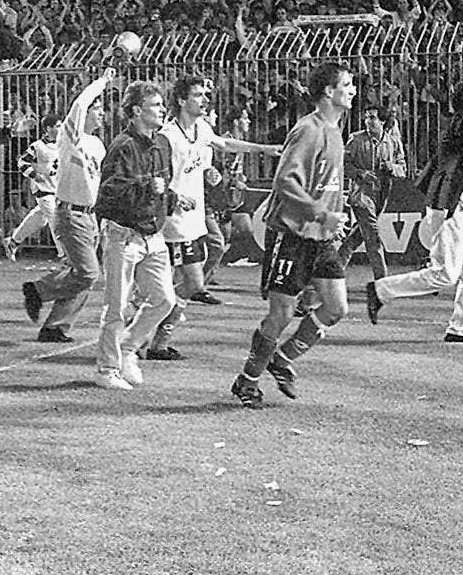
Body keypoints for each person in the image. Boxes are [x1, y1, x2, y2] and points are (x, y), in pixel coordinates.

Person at [230, 62, 355, 409]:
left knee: (336, 307)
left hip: (321, 237)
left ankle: (282, 359)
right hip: (291, 234)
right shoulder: (309, 130)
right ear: (329, 92)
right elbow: (285, 182)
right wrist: (321, 212)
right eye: (347, 84)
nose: (353, 90)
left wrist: (335, 215)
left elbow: (327, 184)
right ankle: (248, 380)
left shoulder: (335, 130)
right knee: (282, 314)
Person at [145, 75, 279, 360]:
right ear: (181, 100)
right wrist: (174, 195)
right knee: (191, 283)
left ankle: (152, 338)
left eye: (205, 95)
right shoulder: (168, 136)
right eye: (197, 95)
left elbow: (224, 144)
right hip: (175, 221)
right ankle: (151, 338)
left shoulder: (201, 128)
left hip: (193, 221)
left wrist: (263, 149)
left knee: (177, 282)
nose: (204, 100)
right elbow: (155, 173)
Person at [365, 80, 463, 343]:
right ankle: (380, 291)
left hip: (459, 206)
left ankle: (461, 329)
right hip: (448, 207)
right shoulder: (461, 125)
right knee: (445, 274)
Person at [21, 65, 119, 343]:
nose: (102, 114)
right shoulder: (69, 135)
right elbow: (79, 102)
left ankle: (55, 326)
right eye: (97, 109)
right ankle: (39, 290)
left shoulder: (98, 144)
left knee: (82, 276)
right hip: (70, 213)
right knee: (88, 274)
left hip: (90, 216)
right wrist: (101, 80)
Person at [92, 80, 179, 390]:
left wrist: (172, 196)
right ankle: (107, 370)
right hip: (122, 235)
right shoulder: (122, 146)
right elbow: (107, 196)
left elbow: (162, 184)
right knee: (116, 306)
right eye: (156, 105)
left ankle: (128, 348)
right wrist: (145, 187)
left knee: (165, 300)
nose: (162, 110)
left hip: (152, 235)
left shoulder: (163, 144)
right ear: (137, 111)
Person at [336, 102, 407, 281]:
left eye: (373, 118)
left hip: (381, 196)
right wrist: (360, 173)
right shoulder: (356, 139)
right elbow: (343, 164)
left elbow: (403, 168)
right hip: (361, 195)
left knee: (355, 238)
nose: (368, 121)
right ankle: (382, 281)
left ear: (382, 121)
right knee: (373, 238)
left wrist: (392, 167)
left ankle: (331, 269)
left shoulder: (393, 142)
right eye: (367, 117)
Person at [3, 114, 63, 261]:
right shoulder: (37, 146)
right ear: (49, 128)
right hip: (43, 190)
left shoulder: (63, 145)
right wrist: (34, 175)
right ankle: (64, 256)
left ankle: (13, 241)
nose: (61, 129)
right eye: (58, 126)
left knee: (40, 219)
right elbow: (22, 163)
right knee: (55, 220)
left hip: (57, 189)